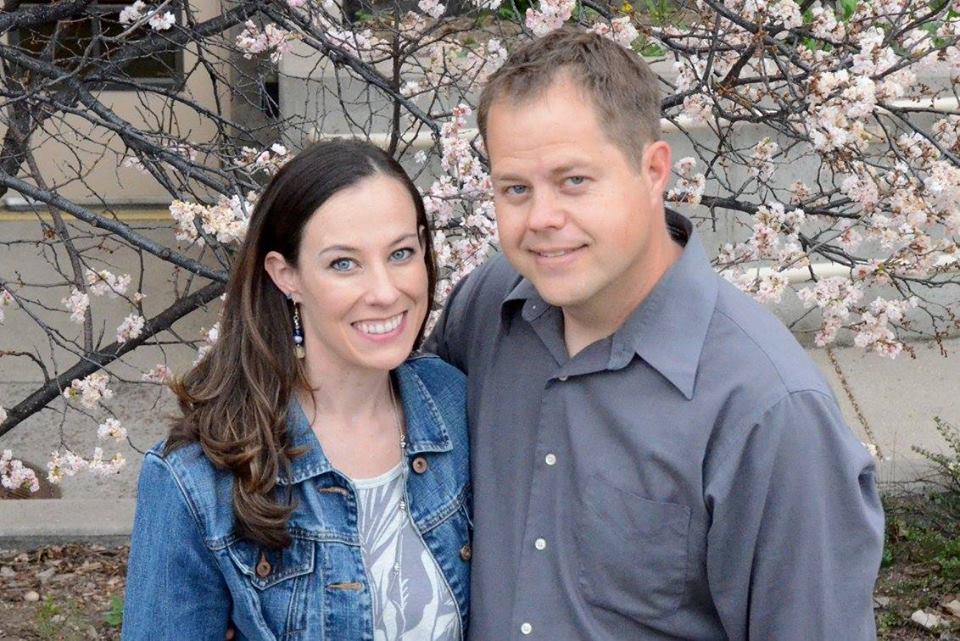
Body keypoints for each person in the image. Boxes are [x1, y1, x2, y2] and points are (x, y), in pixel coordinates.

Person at [425, 28, 884, 641]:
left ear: (653, 170)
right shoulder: (485, 311)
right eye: (515, 189)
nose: (541, 219)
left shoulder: (770, 412)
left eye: (573, 181)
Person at [123, 140, 471, 641]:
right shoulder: (198, 477)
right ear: (286, 276)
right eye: (343, 264)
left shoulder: (456, 405)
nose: (384, 291)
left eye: (400, 254)